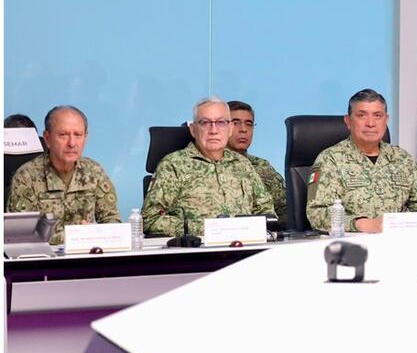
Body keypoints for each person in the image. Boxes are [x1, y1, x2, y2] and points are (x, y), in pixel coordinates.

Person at [306, 89, 417, 233]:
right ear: (348, 121)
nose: (371, 123)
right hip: (353, 242)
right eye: (362, 115)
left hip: (400, 239)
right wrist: (362, 224)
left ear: (386, 120)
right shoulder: (330, 159)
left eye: (377, 115)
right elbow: (317, 213)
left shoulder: (402, 158)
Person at [142, 96, 274, 237]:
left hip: (245, 245)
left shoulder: (243, 164)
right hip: (197, 247)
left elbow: (266, 212)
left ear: (230, 129)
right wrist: (209, 229)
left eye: (221, 122)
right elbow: (150, 219)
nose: (213, 130)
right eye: (205, 123)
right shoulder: (173, 165)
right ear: (193, 130)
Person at [7, 105, 120, 244]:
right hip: (43, 255)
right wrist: (78, 236)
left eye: (78, 135)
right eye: (63, 135)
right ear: (47, 139)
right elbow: (19, 235)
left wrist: (96, 233)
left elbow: (112, 221)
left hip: (85, 253)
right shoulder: (26, 177)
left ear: (85, 138)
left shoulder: (94, 172)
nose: (72, 143)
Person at [227, 100, 289, 226]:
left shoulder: (262, 166)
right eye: (235, 123)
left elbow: (285, 208)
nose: (243, 130)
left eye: (249, 124)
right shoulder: (211, 166)